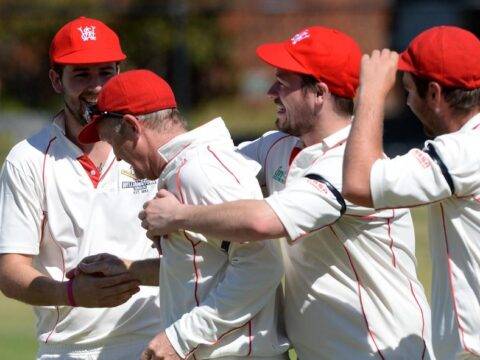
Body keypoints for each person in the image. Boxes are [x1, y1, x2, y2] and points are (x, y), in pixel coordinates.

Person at [138, 26, 434, 359]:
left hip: (380, 350)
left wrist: (178, 216)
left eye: (283, 81)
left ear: (318, 93)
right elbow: (213, 167)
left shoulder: (346, 165)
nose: (270, 91)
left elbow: (262, 222)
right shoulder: (281, 145)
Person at [76, 69, 289, 360]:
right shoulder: (186, 169)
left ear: (132, 126)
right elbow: (209, 267)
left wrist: (180, 338)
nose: (117, 156)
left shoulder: (198, 172)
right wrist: (130, 270)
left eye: (114, 143)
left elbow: (262, 265)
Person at [0, 17, 161, 360]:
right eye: (82, 75)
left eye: (106, 72)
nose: (97, 86)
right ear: (56, 80)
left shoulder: (154, 145)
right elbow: (10, 270)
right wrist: (71, 293)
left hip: (157, 342)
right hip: (69, 350)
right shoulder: (27, 159)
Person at [342, 26, 480, 360]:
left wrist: (371, 93)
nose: (405, 100)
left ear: (434, 93)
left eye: (407, 90)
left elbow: (359, 183)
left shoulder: (461, 152)